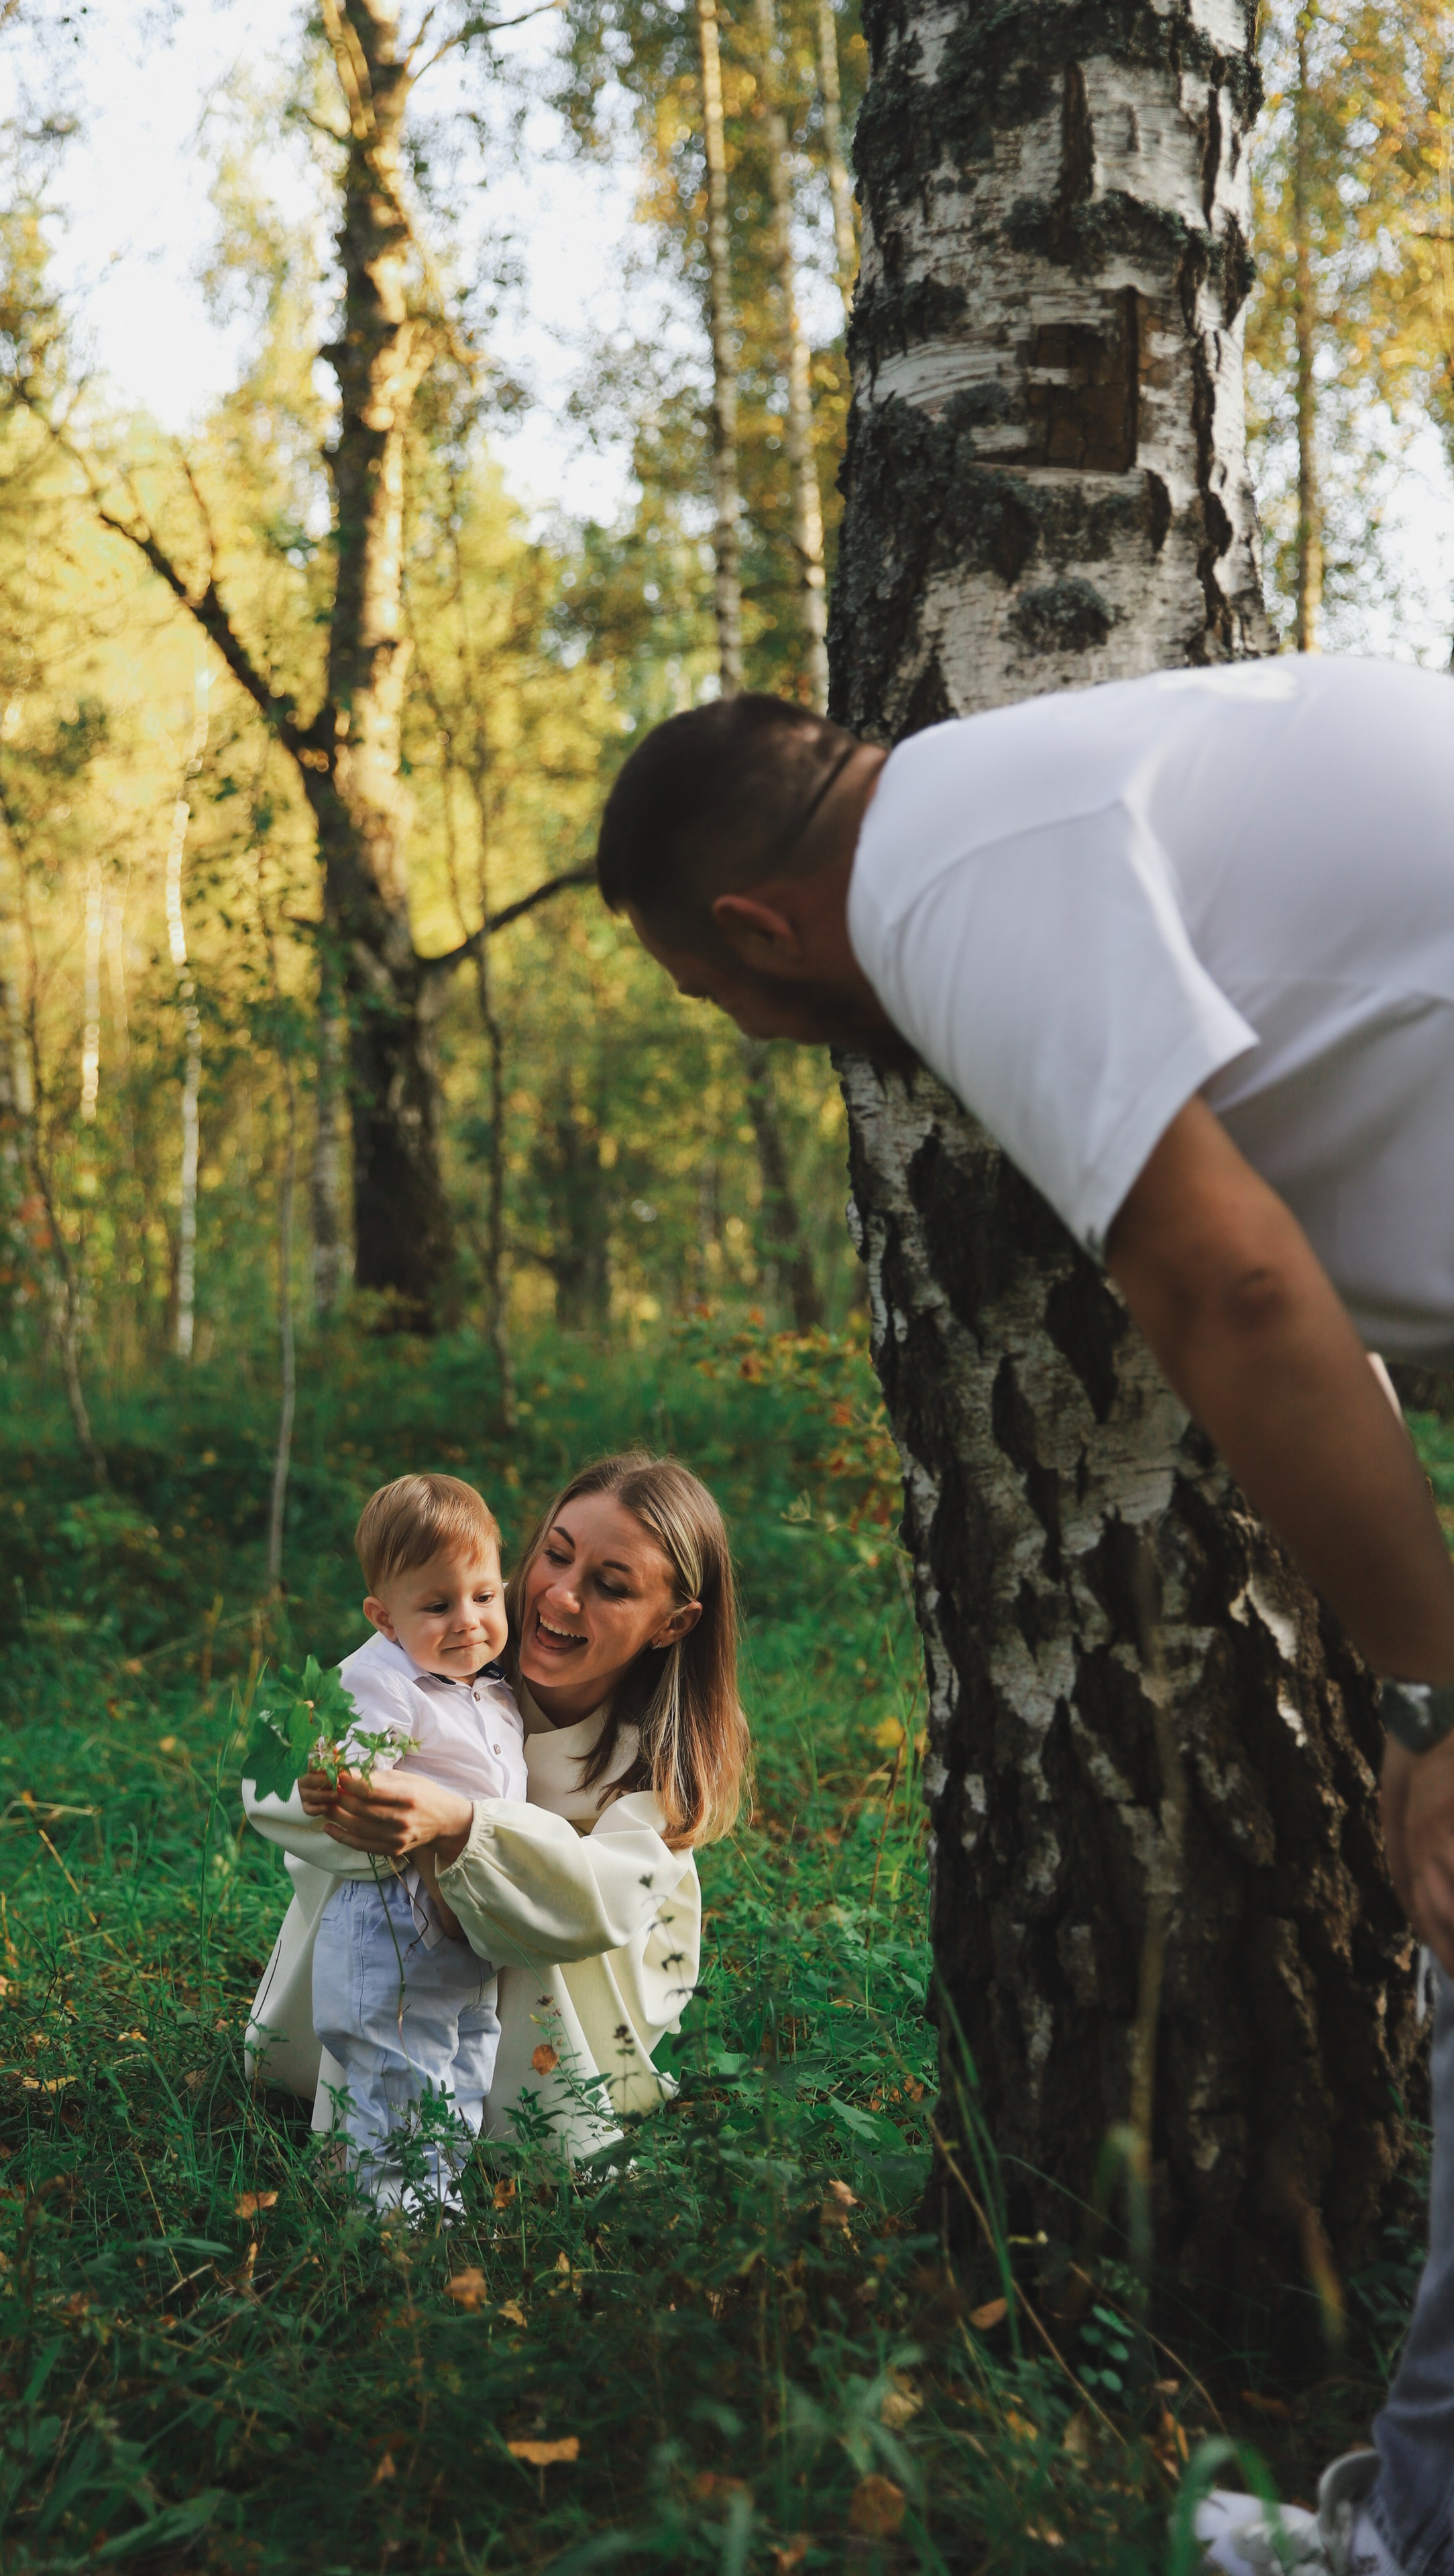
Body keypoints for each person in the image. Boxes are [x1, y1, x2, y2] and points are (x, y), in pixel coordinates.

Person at [596, 661, 1454, 2576]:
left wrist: (1427, 1697)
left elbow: (1227, 1289)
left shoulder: (952, 874)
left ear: (753, 927)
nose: (753, 1033)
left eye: (715, 1001)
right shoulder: (1041, 797)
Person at [244, 1452, 750, 2174]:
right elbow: (296, 1754)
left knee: (522, 1890)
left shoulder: (653, 1761)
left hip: (559, 2001)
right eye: (555, 1556)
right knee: (387, 1889)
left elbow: (593, 1902)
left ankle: (499, 2129)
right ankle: (383, 2112)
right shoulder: (453, 1631)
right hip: (394, 1961)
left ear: (672, 1624)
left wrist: (460, 1829)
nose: (561, 1597)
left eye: (609, 1586)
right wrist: (337, 1788)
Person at [243, 1473, 526, 2204]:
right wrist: (337, 1778)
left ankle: (431, 2194)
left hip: (464, 1929)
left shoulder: (483, 1685)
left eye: (485, 1597)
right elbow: (356, 1774)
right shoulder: (384, 1682)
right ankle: (397, 2225)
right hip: (395, 1926)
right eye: (437, 1605)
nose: (467, 1619)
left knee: (463, 2064)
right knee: (399, 2070)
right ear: (385, 1617)